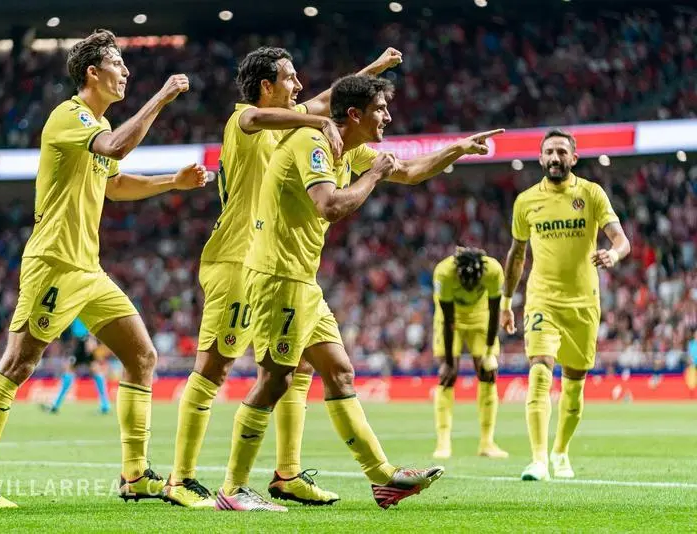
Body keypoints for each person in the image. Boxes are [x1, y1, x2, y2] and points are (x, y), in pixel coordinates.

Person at [215, 73, 503, 511]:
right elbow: (330, 206)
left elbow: (407, 172)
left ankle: (383, 478)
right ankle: (233, 489)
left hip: (301, 281)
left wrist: (457, 149)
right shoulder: (311, 144)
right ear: (354, 113)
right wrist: (371, 177)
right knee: (276, 379)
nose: (388, 115)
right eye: (380, 109)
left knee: (339, 371)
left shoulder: (349, 147)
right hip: (277, 277)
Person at [0, 29, 207, 508]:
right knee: (18, 363)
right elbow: (115, 149)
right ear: (93, 72)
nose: (126, 72)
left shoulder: (94, 127)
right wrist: (161, 97)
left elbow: (116, 184)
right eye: (118, 64)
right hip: (53, 263)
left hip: (87, 269)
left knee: (141, 357)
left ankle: (135, 476)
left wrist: (171, 182)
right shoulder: (70, 117)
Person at [165, 46, 403, 509]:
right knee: (217, 367)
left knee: (299, 366)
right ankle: (183, 478)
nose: (299, 88)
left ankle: (287, 474)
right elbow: (289, 116)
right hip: (236, 259)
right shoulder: (246, 120)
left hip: (270, 258)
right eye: (290, 79)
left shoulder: (293, 124)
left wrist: (371, 69)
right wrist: (317, 121)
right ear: (265, 87)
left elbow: (333, 100)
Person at [500, 129, 630, 481]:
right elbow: (516, 255)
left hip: (584, 303)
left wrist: (614, 254)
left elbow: (621, 239)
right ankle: (538, 460)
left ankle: (560, 451)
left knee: (574, 387)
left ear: (573, 158)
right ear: (540, 158)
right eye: (549, 152)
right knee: (540, 369)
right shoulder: (526, 201)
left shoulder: (591, 194)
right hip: (542, 298)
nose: (555, 158)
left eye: (561, 152)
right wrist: (507, 300)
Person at [432, 247, 508, 460]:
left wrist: (490, 349)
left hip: (480, 319)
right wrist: (448, 361)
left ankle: (487, 442)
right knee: (449, 374)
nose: (468, 288)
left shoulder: (493, 270)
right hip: (451, 320)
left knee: (488, 373)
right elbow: (447, 320)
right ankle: (443, 442)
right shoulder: (443, 272)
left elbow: (495, 312)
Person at [42, 318, 110, 415]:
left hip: (84, 341)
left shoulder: (82, 305)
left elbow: (91, 319)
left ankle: (55, 404)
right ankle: (105, 405)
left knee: (71, 369)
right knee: (94, 369)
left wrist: (91, 338)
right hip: (79, 341)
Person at [686, 330, 697, 396]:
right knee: (691, 380)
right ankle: (692, 393)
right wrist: (690, 360)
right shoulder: (691, 344)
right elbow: (689, 354)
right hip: (693, 364)